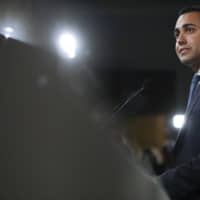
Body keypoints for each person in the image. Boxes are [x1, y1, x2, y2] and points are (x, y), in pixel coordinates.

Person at [159, 5, 200, 200]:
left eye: (189, 30)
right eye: (176, 34)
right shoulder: (197, 83)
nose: (180, 40)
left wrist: (158, 184)